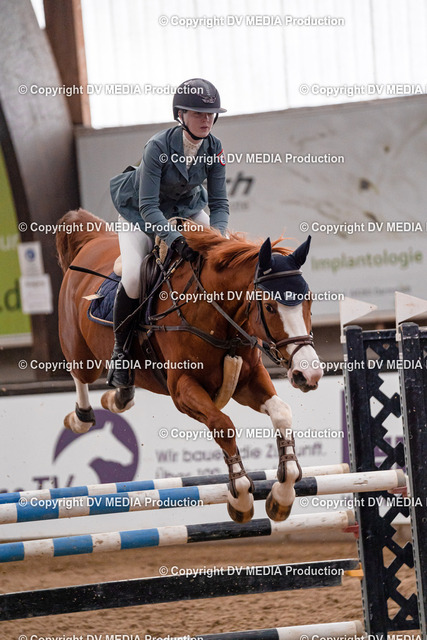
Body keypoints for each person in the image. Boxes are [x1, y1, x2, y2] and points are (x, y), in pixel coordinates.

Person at [107, 78, 229, 388]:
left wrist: (218, 238)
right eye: (198, 113)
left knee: (223, 257)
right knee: (133, 277)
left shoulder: (215, 148)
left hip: (186, 209)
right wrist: (176, 241)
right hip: (139, 214)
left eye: (210, 114)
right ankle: (121, 353)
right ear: (180, 115)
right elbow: (148, 207)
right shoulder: (157, 147)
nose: (206, 120)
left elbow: (219, 204)